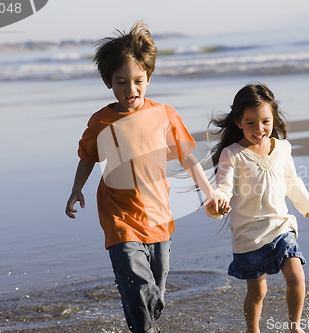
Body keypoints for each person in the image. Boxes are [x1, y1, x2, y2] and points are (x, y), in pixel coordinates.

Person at [65, 21, 225, 333]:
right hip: (119, 215)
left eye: (138, 80)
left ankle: (144, 318)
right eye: (121, 82)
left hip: (157, 214)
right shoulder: (101, 121)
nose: (131, 89)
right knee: (137, 281)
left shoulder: (164, 115)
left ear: (148, 78)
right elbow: (87, 157)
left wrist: (210, 191)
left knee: (156, 286)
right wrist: (76, 190)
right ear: (108, 82)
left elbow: (188, 159)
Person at [206, 83, 309, 333]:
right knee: (258, 291)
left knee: (295, 276)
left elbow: (292, 181)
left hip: (281, 225)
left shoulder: (282, 148)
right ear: (238, 122)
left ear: (274, 118)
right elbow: (223, 186)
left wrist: (308, 206)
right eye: (251, 123)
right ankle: (253, 330)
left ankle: (294, 326)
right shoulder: (232, 154)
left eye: (266, 122)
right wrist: (218, 202)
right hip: (249, 233)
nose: (260, 129)